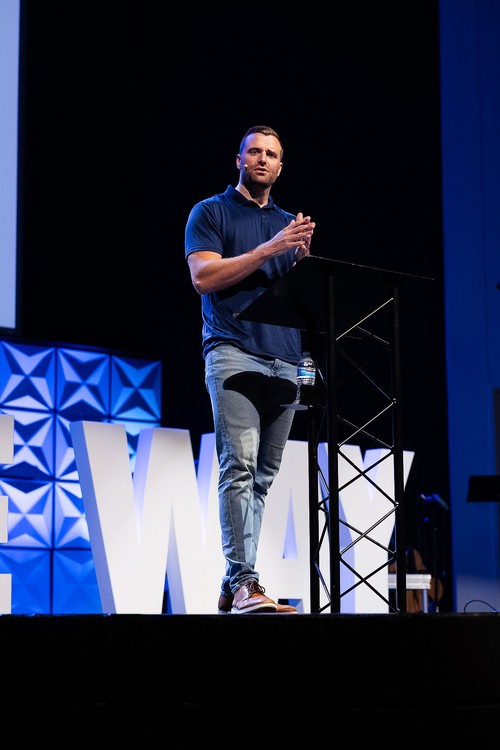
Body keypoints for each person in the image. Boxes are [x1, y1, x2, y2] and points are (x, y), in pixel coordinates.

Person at [185, 124, 315, 614]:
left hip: (286, 359)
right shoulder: (210, 212)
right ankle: (245, 583)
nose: (262, 159)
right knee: (237, 467)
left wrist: (301, 261)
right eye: (254, 152)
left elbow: (297, 299)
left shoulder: (288, 224)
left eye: (272, 154)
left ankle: (234, 583)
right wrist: (269, 249)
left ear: (280, 166)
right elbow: (203, 277)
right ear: (238, 159)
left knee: (262, 476)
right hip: (234, 351)